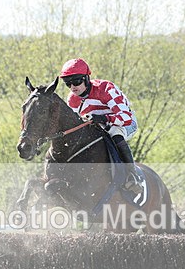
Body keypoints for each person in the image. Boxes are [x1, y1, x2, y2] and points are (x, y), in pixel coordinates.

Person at [59, 58, 143, 197]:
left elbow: (125, 117)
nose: (73, 87)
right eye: (68, 83)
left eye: (76, 81)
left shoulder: (106, 89)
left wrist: (105, 118)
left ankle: (132, 175)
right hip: (98, 127)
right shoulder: (73, 99)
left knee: (115, 132)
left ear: (86, 78)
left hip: (124, 123)